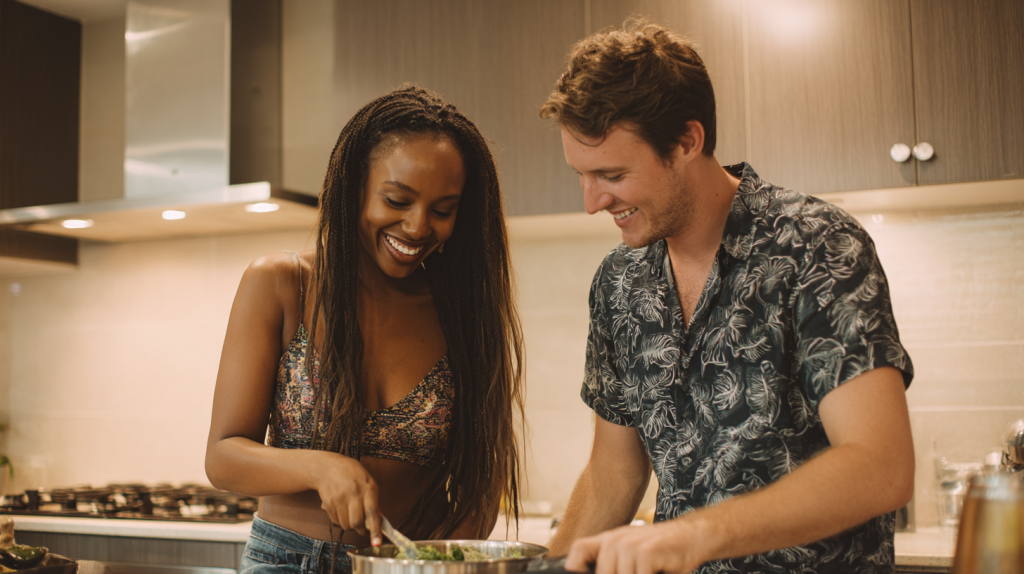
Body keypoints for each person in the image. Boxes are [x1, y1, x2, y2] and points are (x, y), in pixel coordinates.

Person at [540, 21, 915, 574]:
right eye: (581, 175)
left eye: (612, 174)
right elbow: (613, 473)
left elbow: (880, 465)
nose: (592, 201)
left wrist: (694, 536)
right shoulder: (619, 282)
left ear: (688, 141)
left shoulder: (816, 245)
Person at [205, 86, 524, 574]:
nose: (418, 227)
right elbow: (224, 458)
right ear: (355, 184)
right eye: (397, 199)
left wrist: (432, 562)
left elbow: (479, 487)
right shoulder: (281, 284)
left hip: (407, 565)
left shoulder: (464, 315)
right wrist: (321, 466)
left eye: (443, 210)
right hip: (283, 560)